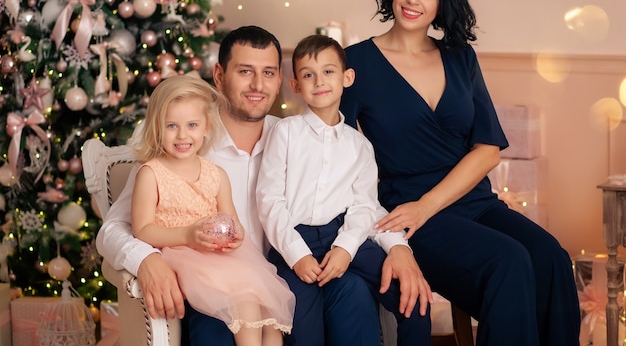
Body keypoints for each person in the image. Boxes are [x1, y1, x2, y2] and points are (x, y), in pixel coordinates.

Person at [339, 0, 581, 346]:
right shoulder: (354, 64)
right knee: (508, 261)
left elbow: (487, 149)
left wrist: (429, 203)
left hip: (470, 203)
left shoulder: (460, 56)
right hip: (406, 214)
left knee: (552, 258)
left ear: (443, 0)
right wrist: (398, 218)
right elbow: (334, 150)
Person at [96, 25, 385, 346]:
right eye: (245, 71)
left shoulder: (295, 136)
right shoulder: (186, 139)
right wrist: (146, 260)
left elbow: (360, 199)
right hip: (212, 284)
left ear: (281, 81)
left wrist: (397, 247)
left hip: (289, 279)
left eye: (269, 73)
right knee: (215, 328)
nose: (258, 85)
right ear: (219, 75)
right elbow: (113, 229)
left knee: (355, 292)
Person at [256, 34, 432, 346]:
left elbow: (364, 206)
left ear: (346, 78)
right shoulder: (285, 133)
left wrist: (346, 248)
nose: (319, 81)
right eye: (308, 75)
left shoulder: (360, 146)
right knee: (304, 333)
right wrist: (297, 255)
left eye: (328, 72)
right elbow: (269, 199)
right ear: (295, 85)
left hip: (343, 235)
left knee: (414, 297)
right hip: (296, 241)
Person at [129, 75, 294, 346]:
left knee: (264, 306)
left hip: (221, 255)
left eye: (192, 125)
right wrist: (188, 235)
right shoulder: (151, 173)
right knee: (245, 301)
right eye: (172, 126)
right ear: (157, 128)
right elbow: (142, 229)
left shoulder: (215, 173)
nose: (183, 135)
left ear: (206, 127)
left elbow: (232, 220)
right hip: (185, 255)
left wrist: (236, 236)